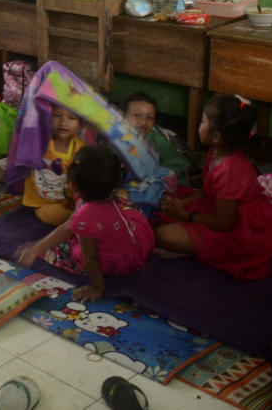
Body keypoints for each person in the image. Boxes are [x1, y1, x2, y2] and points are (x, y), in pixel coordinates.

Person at [156, 94, 272, 281]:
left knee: (164, 235)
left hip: (239, 233)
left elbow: (224, 223)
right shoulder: (217, 153)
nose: (198, 126)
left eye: (202, 121)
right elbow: (206, 192)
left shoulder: (230, 171)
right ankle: (193, 242)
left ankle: (200, 252)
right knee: (165, 200)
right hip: (218, 208)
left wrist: (186, 215)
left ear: (216, 136)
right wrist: (183, 202)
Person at [17, 145, 155, 302]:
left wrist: (97, 287)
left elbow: (91, 258)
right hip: (138, 245)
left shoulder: (86, 217)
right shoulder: (109, 194)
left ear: (73, 182)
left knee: (60, 252)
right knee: (126, 209)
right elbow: (70, 225)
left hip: (117, 263)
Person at [20, 103, 85, 225]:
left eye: (71, 118)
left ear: (80, 124)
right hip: (43, 203)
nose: (63, 123)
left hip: (70, 200)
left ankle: (77, 216)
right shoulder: (40, 141)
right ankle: (74, 220)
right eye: (57, 116)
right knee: (56, 215)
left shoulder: (80, 148)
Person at [121, 90, 192, 181]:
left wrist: (158, 175)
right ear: (122, 116)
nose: (143, 122)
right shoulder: (114, 137)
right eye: (137, 115)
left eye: (149, 117)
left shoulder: (158, 142)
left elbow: (179, 165)